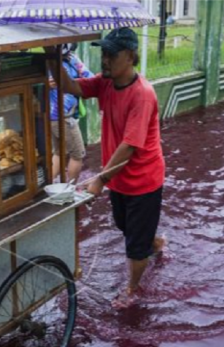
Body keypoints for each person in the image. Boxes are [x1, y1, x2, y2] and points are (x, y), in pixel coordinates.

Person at [46, 27, 166, 309]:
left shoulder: (142, 94)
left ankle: (132, 290)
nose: (105, 59)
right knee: (126, 227)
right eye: (104, 52)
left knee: (134, 246)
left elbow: (129, 146)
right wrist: (52, 56)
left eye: (111, 54)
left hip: (144, 180)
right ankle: (156, 242)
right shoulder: (106, 83)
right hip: (119, 179)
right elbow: (71, 87)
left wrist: (99, 179)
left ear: (129, 56)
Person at [49, 44, 93, 183]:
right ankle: (71, 189)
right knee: (77, 154)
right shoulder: (69, 60)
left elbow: (90, 78)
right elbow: (90, 78)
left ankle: (48, 185)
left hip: (52, 117)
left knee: (59, 152)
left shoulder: (51, 61)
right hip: (63, 117)